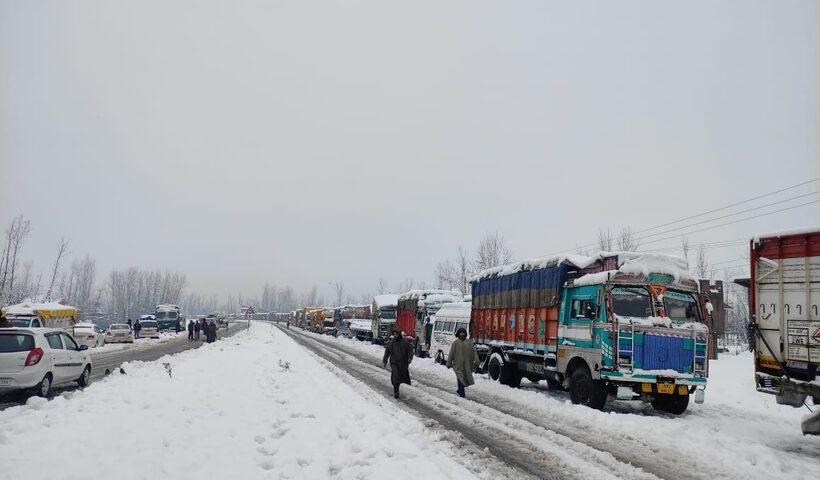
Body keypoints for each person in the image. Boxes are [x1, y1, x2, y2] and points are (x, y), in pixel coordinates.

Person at [447, 327, 480, 398]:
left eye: (463, 333)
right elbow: (451, 354)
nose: (462, 334)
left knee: (464, 379)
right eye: (460, 333)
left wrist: (477, 360)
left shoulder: (470, 343)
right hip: (458, 366)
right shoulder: (455, 343)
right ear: (458, 334)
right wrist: (449, 363)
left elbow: (474, 352)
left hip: (467, 365)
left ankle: (459, 390)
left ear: (465, 334)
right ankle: (462, 394)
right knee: (460, 378)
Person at [382, 328, 413, 399]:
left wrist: (410, 358)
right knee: (395, 376)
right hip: (394, 363)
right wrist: (385, 361)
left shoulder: (405, 342)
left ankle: (397, 387)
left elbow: (410, 350)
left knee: (400, 377)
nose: (395, 335)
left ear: (399, 334)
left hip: (403, 363)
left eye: (396, 334)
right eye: (394, 334)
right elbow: (387, 352)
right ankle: (396, 392)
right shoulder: (391, 343)